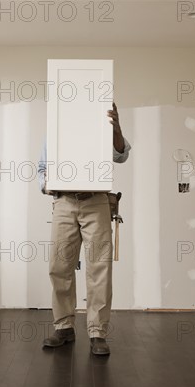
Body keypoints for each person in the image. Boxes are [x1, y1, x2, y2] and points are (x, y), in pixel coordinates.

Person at [37, 103, 132, 355]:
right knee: (59, 266)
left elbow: (121, 155)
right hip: (64, 202)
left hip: (97, 201)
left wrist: (116, 127)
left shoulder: (102, 131)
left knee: (99, 267)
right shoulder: (54, 134)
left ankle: (97, 333)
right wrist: (49, 183)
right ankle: (64, 327)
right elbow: (41, 170)